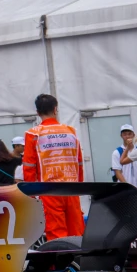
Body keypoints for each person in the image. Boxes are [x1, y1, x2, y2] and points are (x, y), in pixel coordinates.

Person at [21, 94, 85, 240]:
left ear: (37, 112)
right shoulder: (71, 131)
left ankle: (59, 263)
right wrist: (80, 186)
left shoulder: (33, 134)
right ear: (55, 109)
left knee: (57, 234)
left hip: (50, 190)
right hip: (72, 189)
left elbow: (29, 167)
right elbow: (79, 161)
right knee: (76, 231)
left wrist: (30, 193)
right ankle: (78, 262)